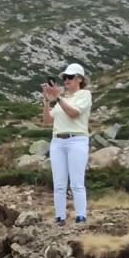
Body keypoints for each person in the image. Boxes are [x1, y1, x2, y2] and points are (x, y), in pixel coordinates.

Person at [43, 63, 91, 225]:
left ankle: (81, 216)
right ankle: (60, 217)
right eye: (65, 77)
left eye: (70, 77)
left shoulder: (84, 95)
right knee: (59, 183)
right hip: (57, 141)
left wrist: (57, 98)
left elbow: (73, 113)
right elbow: (47, 120)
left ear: (79, 79)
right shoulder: (64, 99)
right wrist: (47, 101)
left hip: (76, 140)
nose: (66, 80)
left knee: (77, 182)